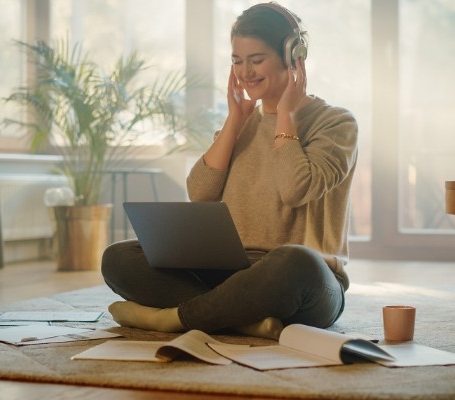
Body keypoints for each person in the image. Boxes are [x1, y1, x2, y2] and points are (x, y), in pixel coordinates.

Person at [101, 2, 358, 340]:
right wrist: (235, 120)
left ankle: (175, 319)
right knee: (118, 258)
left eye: (256, 60)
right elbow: (201, 193)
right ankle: (238, 319)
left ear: (293, 57)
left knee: (296, 262)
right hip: (228, 274)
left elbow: (296, 188)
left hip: (301, 283)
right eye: (237, 61)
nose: (244, 72)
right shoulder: (241, 124)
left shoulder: (337, 124)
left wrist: (285, 117)